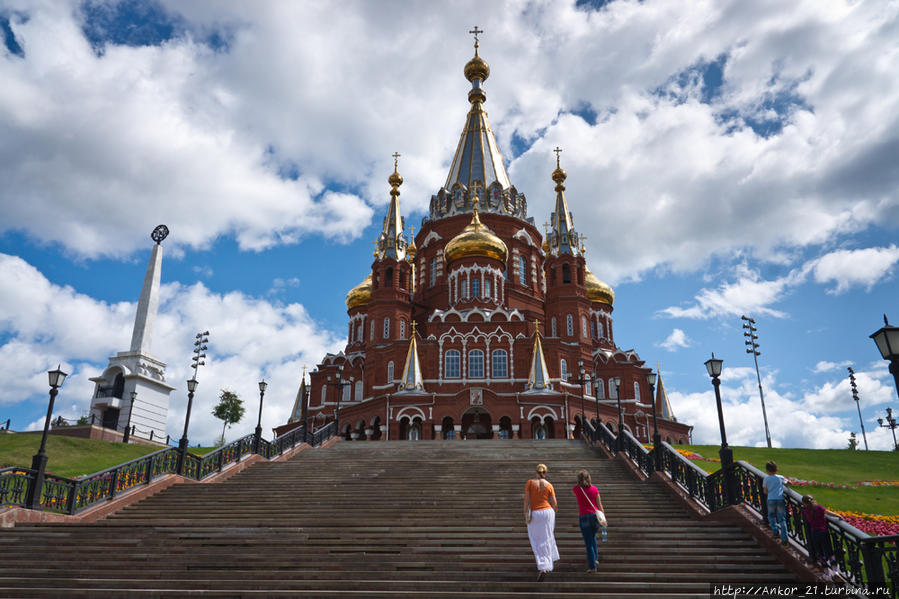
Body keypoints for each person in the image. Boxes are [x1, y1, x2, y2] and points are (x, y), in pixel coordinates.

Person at [523, 463, 559, 581]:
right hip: (548, 512)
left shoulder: (530, 483)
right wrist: (552, 515)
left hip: (536, 513)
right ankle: (548, 563)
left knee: (536, 539)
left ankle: (543, 565)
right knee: (547, 537)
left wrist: (525, 514)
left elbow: (526, 501)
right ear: (545, 473)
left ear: (536, 472)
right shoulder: (549, 485)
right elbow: (554, 504)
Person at [572, 469, 605, 573]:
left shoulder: (576, 489)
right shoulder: (595, 489)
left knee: (588, 542)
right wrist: (603, 517)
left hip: (584, 516)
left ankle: (592, 566)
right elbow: (599, 505)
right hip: (595, 517)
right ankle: (595, 558)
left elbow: (576, 492)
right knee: (592, 537)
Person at [801, 495, 837, 576]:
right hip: (824, 532)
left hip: (814, 533)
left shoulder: (806, 511)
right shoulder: (819, 507)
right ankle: (835, 570)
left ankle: (826, 572)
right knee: (829, 550)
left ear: (804, 503)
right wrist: (839, 516)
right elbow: (828, 513)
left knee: (820, 553)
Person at [762, 460, 789, 545]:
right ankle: (785, 538)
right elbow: (788, 482)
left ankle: (775, 531)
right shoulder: (780, 477)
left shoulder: (766, 479)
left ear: (767, 470)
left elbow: (765, 491)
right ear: (777, 470)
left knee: (771, 516)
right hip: (780, 499)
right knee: (782, 519)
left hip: (770, 499)